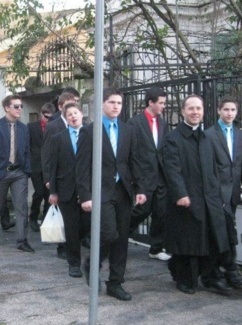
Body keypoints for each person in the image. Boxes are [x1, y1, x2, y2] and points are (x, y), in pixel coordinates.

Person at [76, 87, 145, 301]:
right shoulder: (90, 131)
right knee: (108, 233)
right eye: (112, 102)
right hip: (101, 191)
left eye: (119, 103)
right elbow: (82, 166)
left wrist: (140, 189)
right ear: (102, 104)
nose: (116, 107)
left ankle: (115, 282)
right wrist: (85, 195)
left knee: (122, 238)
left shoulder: (127, 130)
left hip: (122, 190)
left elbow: (133, 161)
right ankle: (92, 264)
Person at [162, 94, 231, 294]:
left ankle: (211, 277)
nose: (195, 112)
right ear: (183, 111)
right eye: (191, 108)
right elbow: (172, 170)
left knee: (212, 238)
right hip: (186, 198)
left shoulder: (207, 138)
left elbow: (214, 169)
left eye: (198, 109)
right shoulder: (172, 139)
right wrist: (181, 194)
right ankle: (184, 278)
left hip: (209, 198)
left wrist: (218, 194)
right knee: (188, 242)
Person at [204, 96, 242, 288]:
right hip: (216, 194)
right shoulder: (209, 135)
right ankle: (228, 270)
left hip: (233, 193)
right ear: (219, 110)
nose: (230, 113)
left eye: (233, 110)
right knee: (225, 232)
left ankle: (219, 271)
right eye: (226, 110)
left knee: (223, 233)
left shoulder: (240, 135)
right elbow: (208, 167)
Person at [0, 95, 33, 253]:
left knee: (21, 207)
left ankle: (22, 240)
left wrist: (27, 170)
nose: (19, 109)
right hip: (0, 173)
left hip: (19, 172)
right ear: (7, 108)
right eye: (16, 106)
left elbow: (26, 150)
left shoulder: (24, 128)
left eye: (21, 106)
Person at [128, 87, 171, 261]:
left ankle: (156, 248)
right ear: (150, 102)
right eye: (161, 103)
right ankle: (121, 235)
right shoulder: (134, 123)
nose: (163, 106)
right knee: (141, 211)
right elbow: (133, 152)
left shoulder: (163, 123)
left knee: (161, 212)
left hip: (160, 176)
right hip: (143, 177)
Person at [47, 102, 89, 278]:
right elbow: (53, 167)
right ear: (65, 117)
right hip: (66, 190)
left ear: (81, 114)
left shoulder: (92, 134)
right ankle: (74, 263)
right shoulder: (58, 138)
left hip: (87, 190)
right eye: (69, 114)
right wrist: (53, 192)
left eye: (75, 113)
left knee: (87, 226)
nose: (73, 116)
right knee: (71, 228)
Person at [42, 92, 79, 259]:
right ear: (61, 107)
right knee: (65, 216)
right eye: (68, 106)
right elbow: (47, 155)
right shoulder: (53, 126)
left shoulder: (85, 126)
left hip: (79, 180)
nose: (72, 111)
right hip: (61, 180)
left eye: (75, 105)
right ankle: (63, 246)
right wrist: (49, 179)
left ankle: (76, 241)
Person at [27, 102, 54, 232]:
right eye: (46, 116)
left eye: (51, 117)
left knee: (49, 194)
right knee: (39, 193)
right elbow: (27, 146)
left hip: (49, 166)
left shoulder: (54, 128)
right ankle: (33, 218)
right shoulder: (31, 127)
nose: (48, 120)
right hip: (36, 165)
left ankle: (45, 220)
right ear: (42, 114)